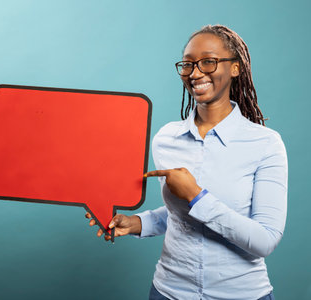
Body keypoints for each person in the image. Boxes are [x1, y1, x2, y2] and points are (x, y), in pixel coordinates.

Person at [85, 24, 287, 300]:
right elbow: (180, 215)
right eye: (188, 65)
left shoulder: (265, 144)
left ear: (236, 68)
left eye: (208, 62)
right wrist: (137, 223)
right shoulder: (167, 138)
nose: (195, 73)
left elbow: (264, 240)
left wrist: (195, 195)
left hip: (242, 294)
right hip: (169, 292)